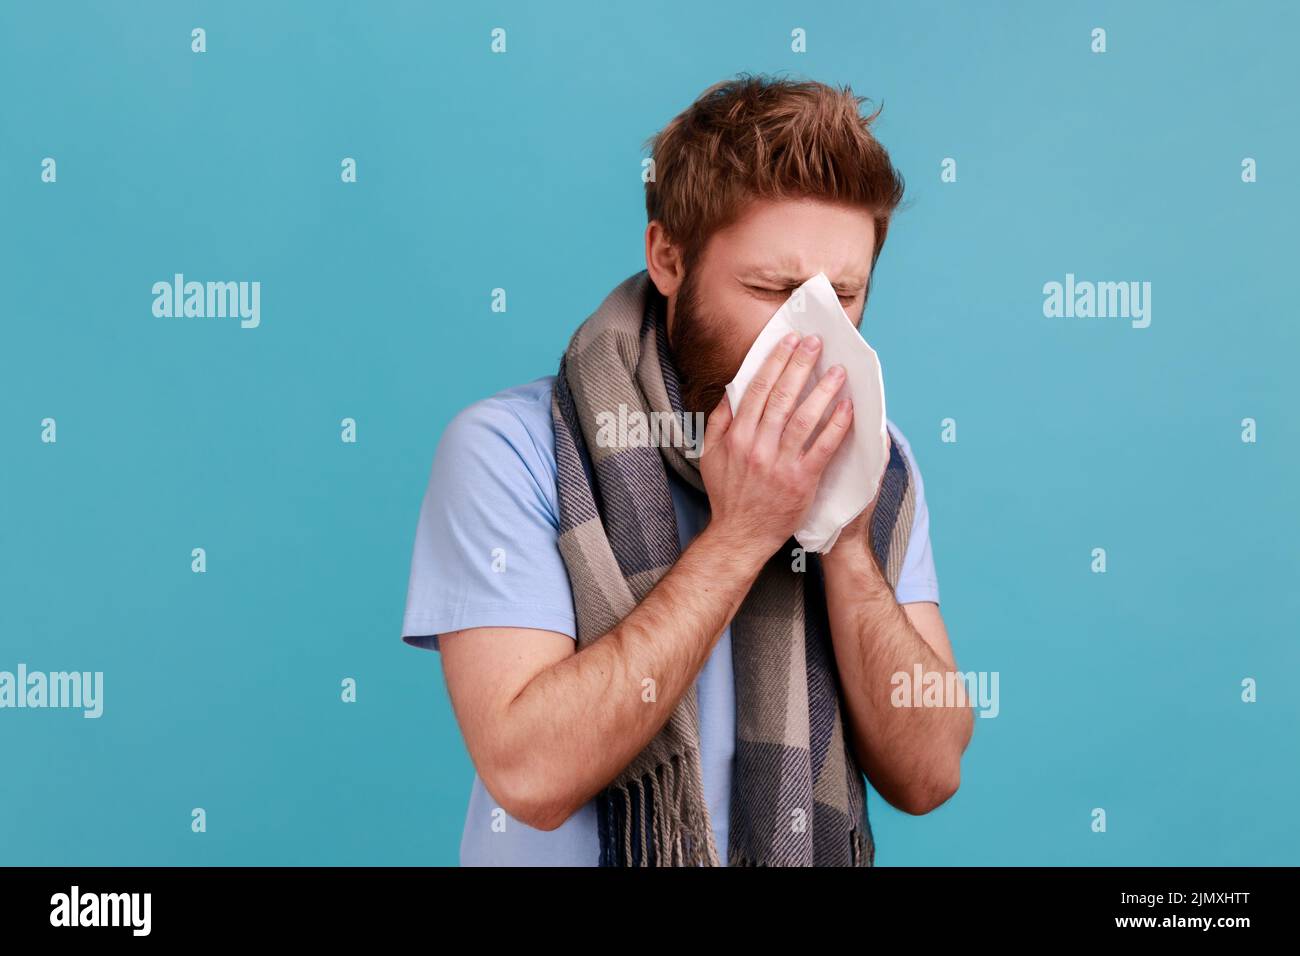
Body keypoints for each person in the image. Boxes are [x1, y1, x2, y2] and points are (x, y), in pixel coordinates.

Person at [401, 73, 972, 866]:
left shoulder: (879, 459)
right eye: (773, 289)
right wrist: (743, 533)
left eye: (843, 297)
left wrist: (841, 533)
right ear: (668, 257)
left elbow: (930, 771)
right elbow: (530, 774)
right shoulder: (509, 450)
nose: (810, 336)